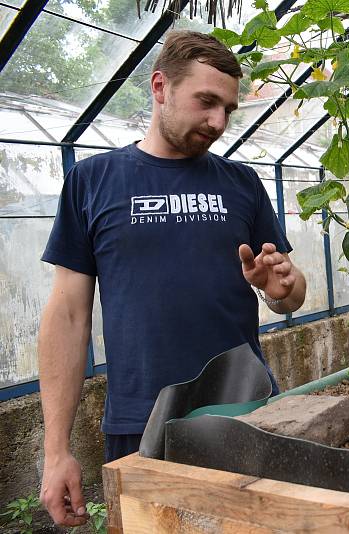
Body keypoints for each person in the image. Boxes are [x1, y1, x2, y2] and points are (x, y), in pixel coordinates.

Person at [36, 30, 307, 527]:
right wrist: (57, 452)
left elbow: (289, 291)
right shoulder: (94, 181)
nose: (218, 121)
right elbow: (68, 316)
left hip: (243, 412)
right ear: (160, 87)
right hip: (140, 421)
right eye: (206, 102)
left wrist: (282, 290)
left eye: (227, 108)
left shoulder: (241, 183)